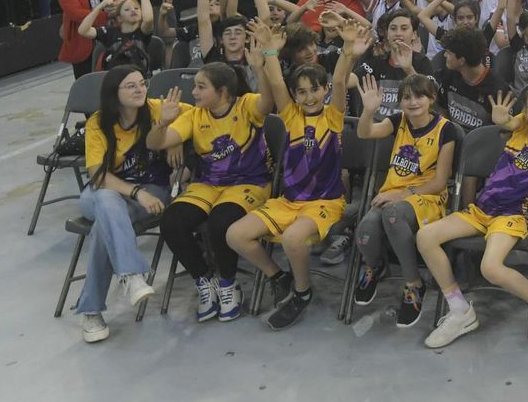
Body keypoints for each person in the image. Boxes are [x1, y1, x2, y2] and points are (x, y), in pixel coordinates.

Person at [416, 83, 528, 356]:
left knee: (491, 268)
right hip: (481, 209)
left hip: (512, 214)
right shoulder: (522, 126)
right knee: (425, 237)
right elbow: (508, 120)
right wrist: (501, 118)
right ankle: (460, 310)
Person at [225, 21, 360, 329]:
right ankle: (278, 276)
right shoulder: (290, 115)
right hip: (288, 201)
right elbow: (274, 80)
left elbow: (340, 80)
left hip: (325, 203)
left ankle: (302, 291)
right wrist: (270, 49)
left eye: (315, 90)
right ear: (295, 96)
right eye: (302, 92)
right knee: (235, 234)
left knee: (293, 238)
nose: (309, 96)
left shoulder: (334, 117)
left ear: (324, 92)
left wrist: (348, 48)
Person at [148, 62, 273, 323]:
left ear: (223, 91)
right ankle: (205, 281)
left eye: (201, 87)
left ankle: (228, 285)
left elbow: (269, 102)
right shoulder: (194, 115)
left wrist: (261, 68)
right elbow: (156, 143)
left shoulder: (246, 105)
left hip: (248, 182)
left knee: (220, 222)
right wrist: (162, 124)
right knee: (172, 222)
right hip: (207, 184)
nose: (193, 92)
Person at [353, 68, 458, 328]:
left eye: (419, 97)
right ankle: (375, 268)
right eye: (407, 97)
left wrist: (403, 193)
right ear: (400, 102)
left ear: (432, 98)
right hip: (392, 194)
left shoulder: (447, 130)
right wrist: (368, 110)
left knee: (393, 215)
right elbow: (364, 133)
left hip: (427, 196)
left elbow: (439, 182)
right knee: (365, 228)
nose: (413, 102)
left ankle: (414, 285)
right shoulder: (398, 121)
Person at [72, 64, 168, 343]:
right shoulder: (99, 123)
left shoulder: (156, 108)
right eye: (131, 86)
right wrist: (137, 192)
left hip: (153, 189)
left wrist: (173, 136)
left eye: (142, 83)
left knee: (105, 224)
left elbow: (198, 117)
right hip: (110, 191)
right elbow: (98, 177)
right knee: (104, 199)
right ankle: (132, 274)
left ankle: (91, 310)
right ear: (115, 93)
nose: (140, 90)